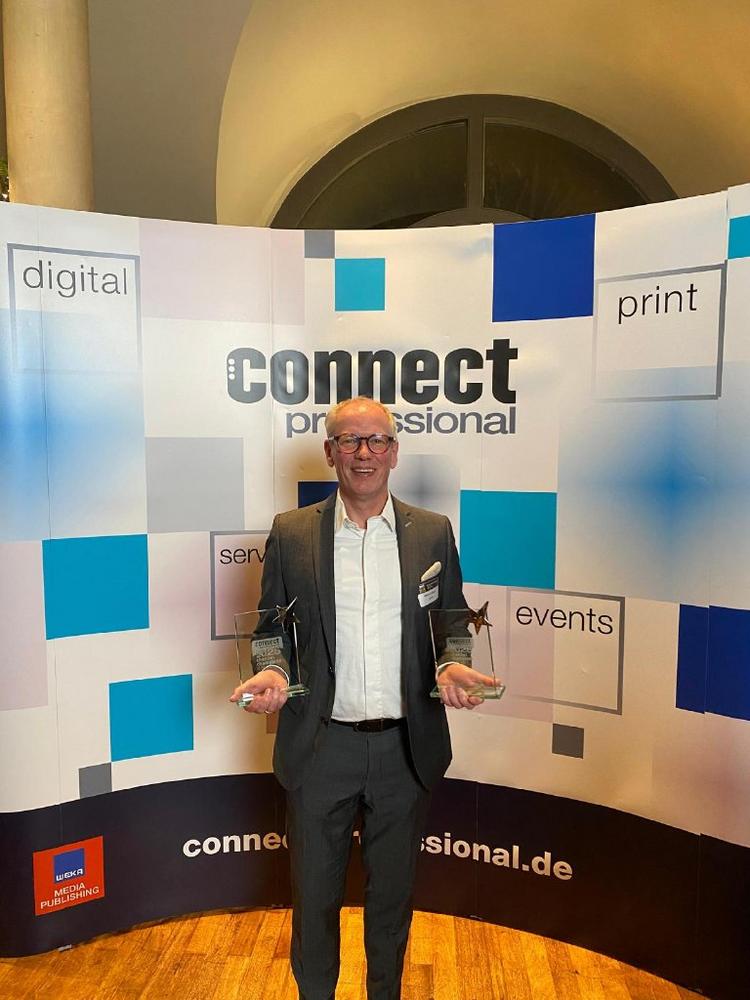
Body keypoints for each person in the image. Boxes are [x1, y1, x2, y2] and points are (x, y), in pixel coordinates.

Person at [231, 397, 498, 1000]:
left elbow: (452, 620)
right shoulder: (291, 532)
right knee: (314, 900)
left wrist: (453, 660)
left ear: (394, 452)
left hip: (405, 749)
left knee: (392, 901)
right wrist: (273, 670)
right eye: (349, 440)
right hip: (320, 747)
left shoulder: (433, 531)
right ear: (330, 453)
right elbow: (272, 629)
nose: (364, 453)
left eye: (377, 440)